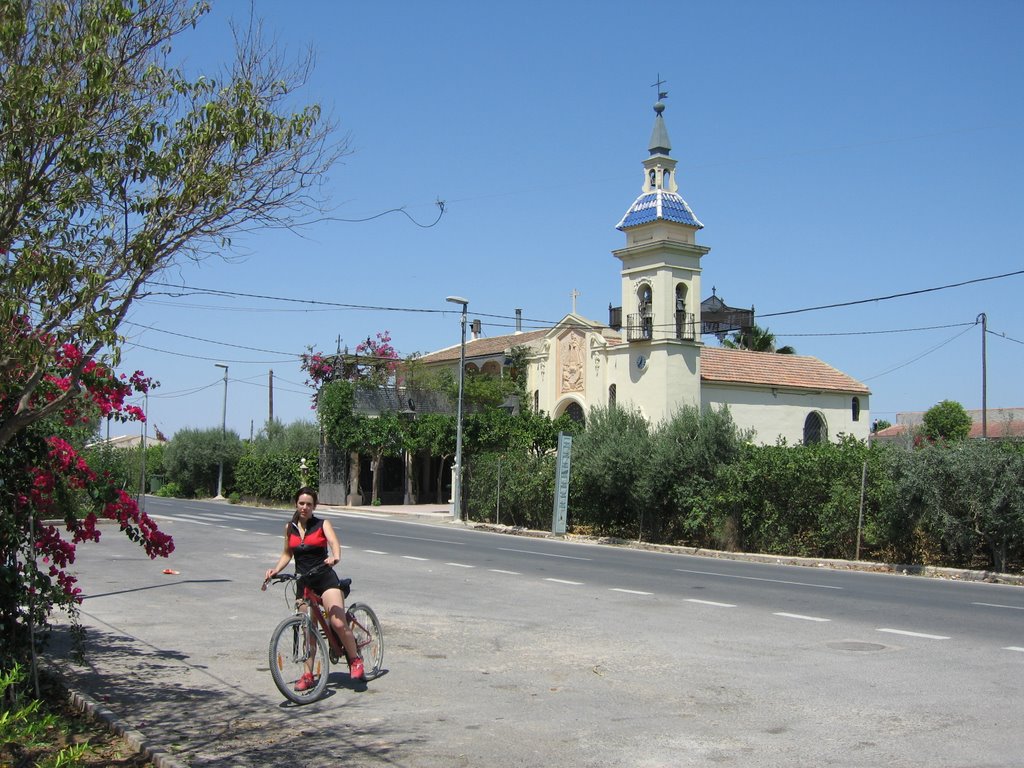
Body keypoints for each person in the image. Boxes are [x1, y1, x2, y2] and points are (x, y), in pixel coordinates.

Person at [264, 486, 365, 688]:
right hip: (304, 582)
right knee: (307, 630)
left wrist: (335, 557)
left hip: (325, 579)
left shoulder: (322, 524)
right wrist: (275, 569)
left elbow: (334, 544)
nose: (305, 507)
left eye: (309, 504)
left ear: (314, 506)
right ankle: (308, 675)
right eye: (301, 503)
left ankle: (355, 659)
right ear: (296, 504)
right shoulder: (289, 528)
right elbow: (287, 554)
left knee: (337, 622)